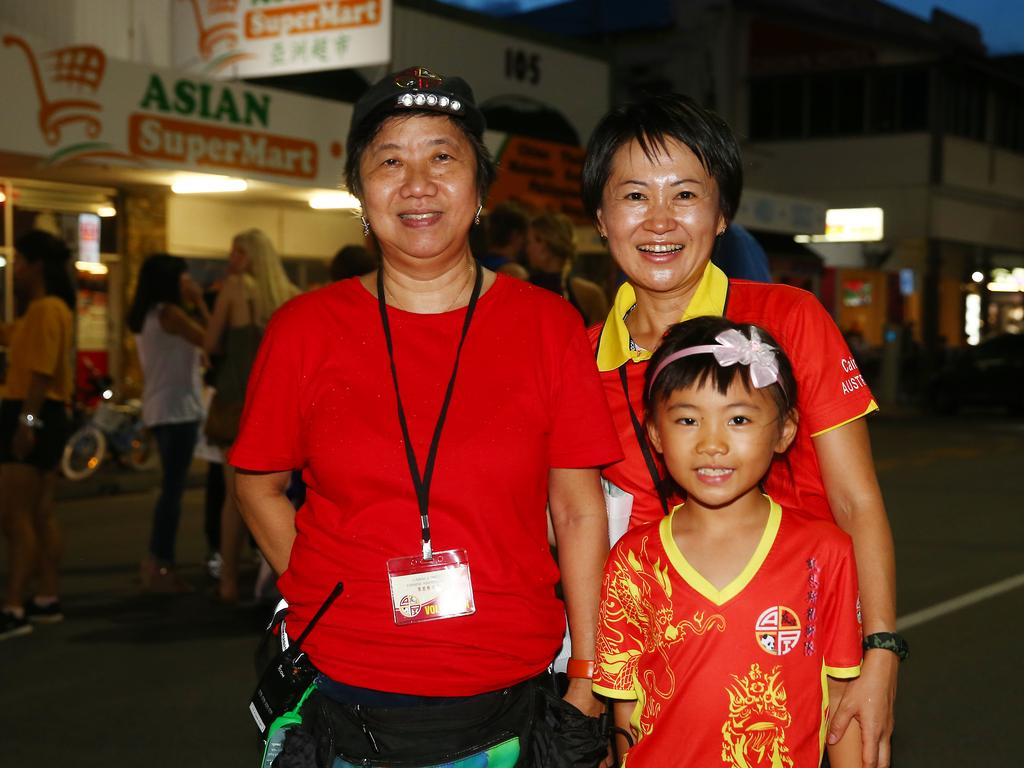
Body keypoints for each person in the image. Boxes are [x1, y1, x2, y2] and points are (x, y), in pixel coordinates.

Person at [231, 66, 621, 765]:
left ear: (479, 187)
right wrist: (326, 590)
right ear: (359, 189)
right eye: (390, 161)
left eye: (443, 156)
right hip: (342, 694)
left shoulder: (548, 325)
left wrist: (589, 674)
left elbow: (579, 508)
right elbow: (257, 482)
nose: (417, 184)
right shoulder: (303, 330)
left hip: (512, 698)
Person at [581, 93, 902, 767]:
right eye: (635, 195)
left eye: (687, 194)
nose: (661, 220)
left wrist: (880, 653)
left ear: (722, 212)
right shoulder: (577, 360)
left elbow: (855, 500)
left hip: (796, 662)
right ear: (601, 218)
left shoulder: (789, 318)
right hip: (660, 687)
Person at [594, 316, 863, 767]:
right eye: (687, 419)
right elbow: (626, 708)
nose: (712, 444)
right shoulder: (633, 559)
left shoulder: (825, 553)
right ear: (655, 433)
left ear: (784, 430)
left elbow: (840, 702)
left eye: (738, 418)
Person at [204, 229, 299, 603]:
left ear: (249, 257)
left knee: (238, 495)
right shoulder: (289, 295)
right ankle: (279, 578)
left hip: (239, 401)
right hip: (281, 403)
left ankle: (228, 580)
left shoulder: (236, 288)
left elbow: (211, 342)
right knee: (281, 493)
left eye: (236, 253)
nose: (231, 261)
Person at [0, 230, 75, 640]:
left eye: (21, 262)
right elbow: (12, 337)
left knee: (15, 516)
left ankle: (13, 606)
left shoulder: (47, 308)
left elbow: (42, 372)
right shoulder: (45, 309)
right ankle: (46, 597)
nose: (17, 270)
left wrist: (26, 423)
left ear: (37, 266)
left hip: (32, 409)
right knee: (41, 513)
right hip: (45, 411)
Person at [127, 254, 209, 592]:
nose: (187, 283)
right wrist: (201, 302)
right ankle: (161, 564)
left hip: (160, 408)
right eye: (183, 278)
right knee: (172, 493)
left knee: (170, 490)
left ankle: (156, 561)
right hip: (177, 411)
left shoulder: (147, 315)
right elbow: (210, 340)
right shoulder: (171, 314)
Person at [527, 210, 609, 326]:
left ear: (548, 244)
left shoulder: (589, 294)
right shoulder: (589, 293)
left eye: (532, 241)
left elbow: (599, 341)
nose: (528, 248)